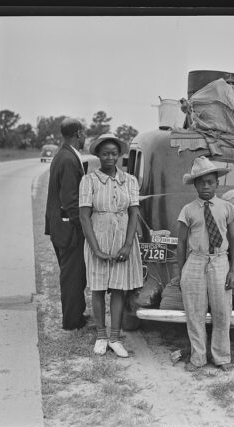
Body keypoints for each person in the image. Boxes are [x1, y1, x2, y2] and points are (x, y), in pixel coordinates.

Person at [79, 134, 144, 357]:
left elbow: (134, 213)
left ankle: (115, 338)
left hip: (122, 239)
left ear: (119, 156)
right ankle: (101, 336)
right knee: (97, 288)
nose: (110, 157)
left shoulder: (130, 180)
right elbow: (84, 216)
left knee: (118, 289)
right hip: (98, 236)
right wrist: (96, 249)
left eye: (114, 153)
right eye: (105, 153)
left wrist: (127, 245)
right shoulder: (89, 181)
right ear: (97, 154)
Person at [176, 156, 234, 372]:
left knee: (222, 311)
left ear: (217, 183)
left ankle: (222, 357)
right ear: (194, 184)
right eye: (201, 182)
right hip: (195, 261)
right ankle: (198, 357)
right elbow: (182, 242)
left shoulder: (227, 208)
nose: (206, 186)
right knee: (195, 312)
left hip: (220, 261)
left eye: (210, 182)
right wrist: (181, 272)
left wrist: (233, 270)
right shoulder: (188, 210)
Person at [44, 118, 88, 330]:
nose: (85, 137)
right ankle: (72, 321)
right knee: (72, 276)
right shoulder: (69, 159)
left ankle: (76, 314)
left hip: (59, 225)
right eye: (84, 133)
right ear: (78, 134)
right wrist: (83, 227)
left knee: (73, 273)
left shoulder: (63, 155)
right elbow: (71, 200)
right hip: (68, 228)